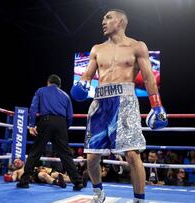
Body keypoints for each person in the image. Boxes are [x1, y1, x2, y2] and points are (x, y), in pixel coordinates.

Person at [70, 9, 168, 203]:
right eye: (103, 19)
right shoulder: (97, 48)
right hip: (100, 103)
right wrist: (81, 84)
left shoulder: (137, 46)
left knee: (132, 154)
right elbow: (88, 75)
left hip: (125, 102)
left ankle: (139, 200)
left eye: (108, 17)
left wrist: (157, 106)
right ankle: (98, 193)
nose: (103, 22)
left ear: (121, 21)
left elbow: (148, 77)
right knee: (91, 158)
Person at [16, 74, 84, 191]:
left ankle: (25, 181)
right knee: (65, 154)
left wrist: (32, 125)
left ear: (48, 82)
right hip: (61, 123)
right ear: (59, 85)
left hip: (46, 121)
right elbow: (70, 117)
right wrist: (63, 127)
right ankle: (78, 182)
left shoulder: (41, 91)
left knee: (36, 151)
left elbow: (33, 108)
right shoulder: (66, 95)